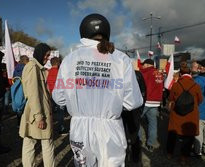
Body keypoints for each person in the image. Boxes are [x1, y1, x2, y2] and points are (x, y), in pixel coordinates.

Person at [53, 13, 143, 166]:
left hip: (79, 130)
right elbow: (132, 102)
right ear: (106, 32)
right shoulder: (120, 59)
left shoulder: (70, 59)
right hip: (110, 130)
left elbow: (59, 98)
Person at [19, 43, 55, 167]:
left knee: (31, 143)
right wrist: (39, 116)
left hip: (37, 111)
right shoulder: (32, 67)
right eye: (46, 55)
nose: (48, 58)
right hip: (37, 112)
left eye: (49, 55)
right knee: (41, 144)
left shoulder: (37, 67)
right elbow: (33, 93)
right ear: (40, 53)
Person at [166, 62, 203, 165]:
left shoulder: (176, 85)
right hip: (191, 114)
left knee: (173, 133)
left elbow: (170, 98)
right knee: (188, 136)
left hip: (177, 113)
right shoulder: (196, 85)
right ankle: (183, 157)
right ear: (190, 73)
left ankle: (169, 153)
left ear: (181, 74)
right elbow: (200, 100)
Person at [139, 59, 164, 152]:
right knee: (153, 123)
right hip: (156, 101)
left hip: (146, 100)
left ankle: (139, 140)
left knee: (136, 120)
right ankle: (151, 144)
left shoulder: (145, 72)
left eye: (143, 64)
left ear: (147, 64)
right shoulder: (159, 73)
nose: (142, 66)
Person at [47, 57, 68, 135]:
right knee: (60, 113)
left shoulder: (47, 71)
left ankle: (50, 129)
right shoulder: (60, 72)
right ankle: (61, 129)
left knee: (50, 113)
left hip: (50, 94)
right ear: (58, 63)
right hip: (58, 95)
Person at [193, 59, 205, 156]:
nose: (199, 68)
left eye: (200, 66)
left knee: (198, 132)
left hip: (200, 109)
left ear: (203, 68)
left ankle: (197, 150)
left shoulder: (197, 80)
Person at [12, 55, 29, 126]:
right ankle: (24, 122)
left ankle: (19, 122)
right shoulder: (26, 68)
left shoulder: (16, 68)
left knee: (19, 103)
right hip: (24, 88)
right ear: (25, 60)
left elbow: (14, 77)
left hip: (17, 87)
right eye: (27, 60)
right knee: (25, 104)